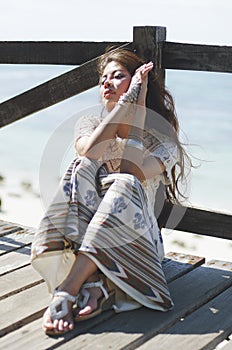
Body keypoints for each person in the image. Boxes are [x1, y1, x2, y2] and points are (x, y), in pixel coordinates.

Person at [31, 47, 188, 335]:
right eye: (104, 78)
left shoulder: (164, 144)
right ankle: (97, 284)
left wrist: (135, 106)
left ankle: (68, 288)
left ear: (139, 85)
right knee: (82, 165)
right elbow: (90, 153)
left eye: (118, 76)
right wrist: (124, 104)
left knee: (124, 183)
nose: (107, 83)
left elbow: (130, 171)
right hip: (84, 231)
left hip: (137, 241)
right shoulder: (89, 124)